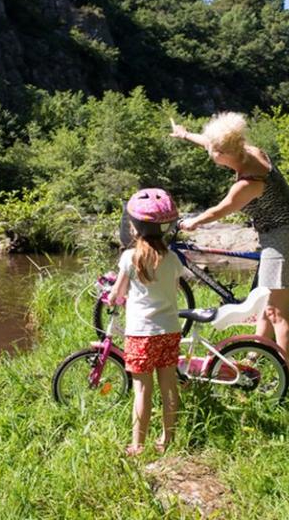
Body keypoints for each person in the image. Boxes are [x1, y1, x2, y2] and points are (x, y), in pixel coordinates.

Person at [170, 112, 289, 371]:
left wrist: (193, 222)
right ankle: (255, 356)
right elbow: (212, 141)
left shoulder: (248, 183)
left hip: (284, 241)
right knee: (265, 303)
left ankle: (286, 372)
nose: (210, 154)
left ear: (222, 154)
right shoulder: (249, 150)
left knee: (278, 313)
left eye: (213, 151)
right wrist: (185, 134)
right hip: (280, 236)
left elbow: (220, 210)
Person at [107, 188, 184, 456]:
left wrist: (113, 298)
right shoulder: (173, 259)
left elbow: (117, 293)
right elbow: (174, 290)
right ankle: (167, 440)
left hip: (140, 335)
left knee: (142, 390)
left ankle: (138, 445)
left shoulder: (130, 258)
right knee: (169, 386)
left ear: (133, 226)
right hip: (170, 330)